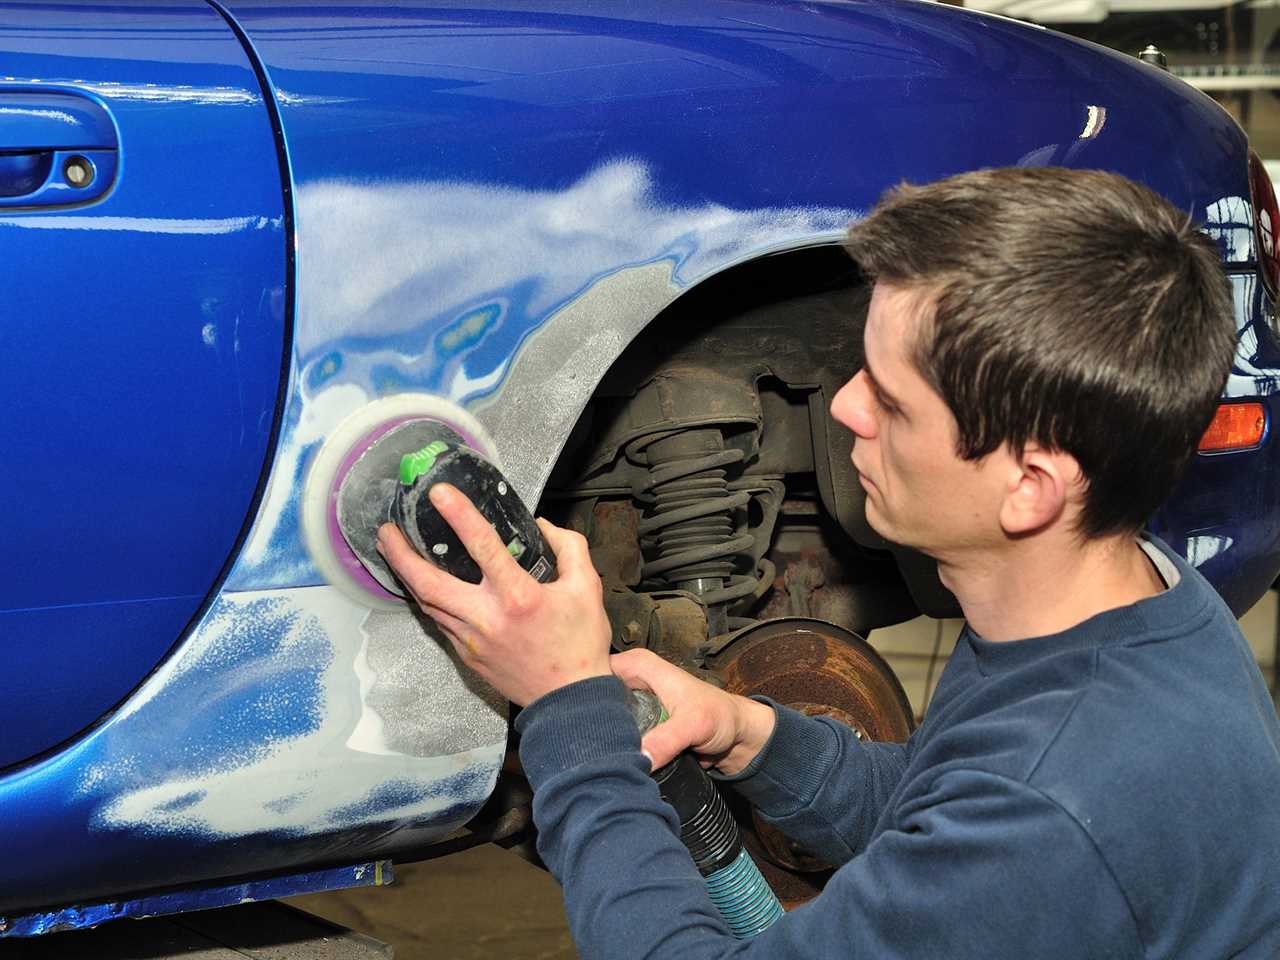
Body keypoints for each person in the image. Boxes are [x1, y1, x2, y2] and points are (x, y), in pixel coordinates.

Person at [377, 167, 1280, 958]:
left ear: (1030, 485)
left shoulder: (1056, 809)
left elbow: (1006, 826)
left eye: (890, 400)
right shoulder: (1130, 604)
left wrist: (566, 711)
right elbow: (942, 801)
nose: (843, 406)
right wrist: (748, 733)